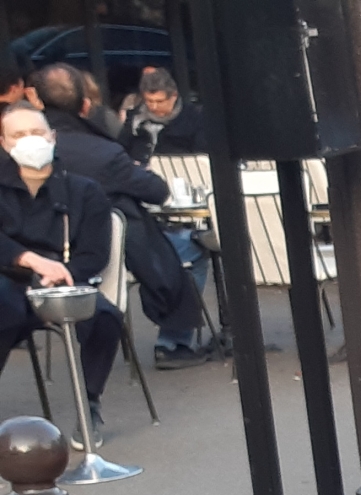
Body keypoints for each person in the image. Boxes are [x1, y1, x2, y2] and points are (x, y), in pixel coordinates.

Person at [29, 65, 208, 367]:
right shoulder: (101, 153)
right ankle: (174, 344)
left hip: (32, 266)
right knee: (193, 247)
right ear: (85, 106)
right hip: (103, 262)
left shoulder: (19, 157)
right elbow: (157, 191)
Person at [0, 106, 124, 438]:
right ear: (3, 142)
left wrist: (59, 274)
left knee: (105, 317)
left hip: (65, 283)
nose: (30, 141)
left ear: (53, 137)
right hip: (8, 281)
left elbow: (95, 254)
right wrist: (28, 260)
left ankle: (89, 405)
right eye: (18, 135)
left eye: (37, 133)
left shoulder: (84, 191)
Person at [119, 68, 204, 160]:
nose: (154, 106)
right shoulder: (134, 117)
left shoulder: (193, 117)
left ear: (174, 96)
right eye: (149, 101)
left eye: (160, 101)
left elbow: (201, 155)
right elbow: (122, 149)